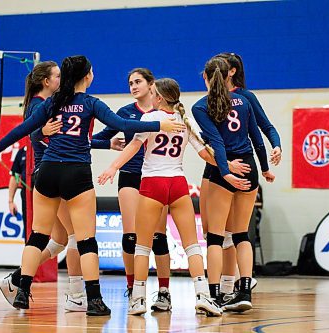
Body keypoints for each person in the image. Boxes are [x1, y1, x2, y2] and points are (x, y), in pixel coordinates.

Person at [0, 55, 186, 316]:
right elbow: (122, 125)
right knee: (86, 240)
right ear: (87, 76)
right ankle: (95, 300)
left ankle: (22, 290)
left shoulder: (53, 102)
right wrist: (160, 123)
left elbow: (25, 129)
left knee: (38, 236)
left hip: (48, 171)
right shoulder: (91, 103)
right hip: (76, 173)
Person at [0, 60, 124, 312]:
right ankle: (77, 294)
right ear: (46, 81)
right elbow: (30, 132)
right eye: (56, 76)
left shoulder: (59, 103)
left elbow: (75, 137)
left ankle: (16, 280)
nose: (60, 80)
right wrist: (40, 131)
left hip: (50, 173)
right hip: (55, 171)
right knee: (78, 237)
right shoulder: (43, 104)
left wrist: (106, 144)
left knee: (59, 240)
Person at [98, 78, 222, 317]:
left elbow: (133, 147)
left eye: (154, 93)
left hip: (153, 184)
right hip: (177, 183)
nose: (151, 97)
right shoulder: (186, 121)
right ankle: (203, 295)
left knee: (143, 247)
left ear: (161, 98)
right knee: (192, 246)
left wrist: (113, 167)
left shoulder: (150, 119)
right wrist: (227, 167)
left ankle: (139, 300)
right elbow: (207, 155)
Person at [192, 56, 275, 312]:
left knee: (215, 236)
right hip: (249, 167)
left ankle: (215, 295)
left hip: (223, 169)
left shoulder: (200, 106)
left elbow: (216, 142)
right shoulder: (245, 100)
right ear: (229, 74)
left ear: (205, 77)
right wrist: (265, 168)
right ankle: (244, 291)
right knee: (241, 234)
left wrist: (226, 171)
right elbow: (257, 138)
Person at [92, 68, 172, 311]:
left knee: (158, 237)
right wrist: (108, 144)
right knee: (131, 235)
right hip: (130, 175)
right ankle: (132, 289)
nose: (133, 86)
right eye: (130, 83)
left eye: (138, 82)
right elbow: (99, 137)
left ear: (151, 85)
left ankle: (164, 292)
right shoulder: (125, 113)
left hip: (159, 175)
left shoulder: (165, 113)